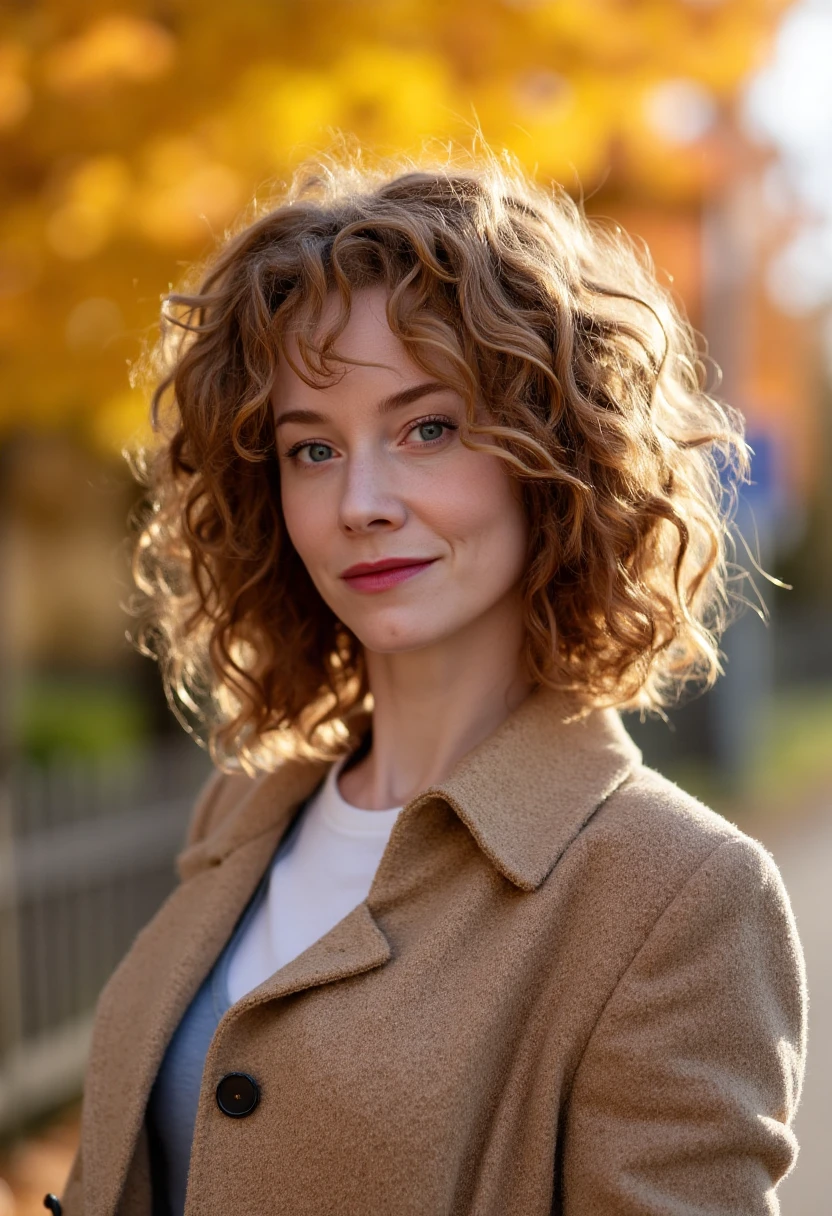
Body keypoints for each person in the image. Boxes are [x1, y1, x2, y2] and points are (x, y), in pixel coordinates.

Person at [50, 150, 806, 1216]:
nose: (360, 500)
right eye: (310, 450)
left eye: (428, 428)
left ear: (554, 454)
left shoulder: (676, 894)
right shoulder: (247, 815)